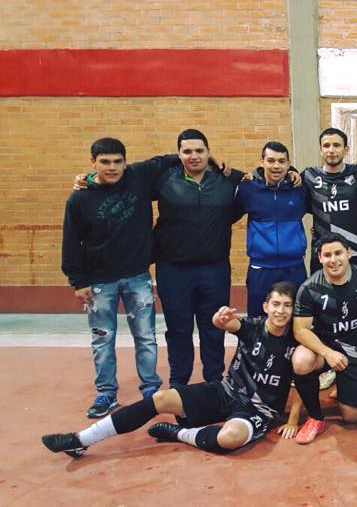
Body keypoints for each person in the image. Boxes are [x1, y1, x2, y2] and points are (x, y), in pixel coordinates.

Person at [42, 282, 300, 457]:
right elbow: (229, 324)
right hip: (225, 390)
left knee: (230, 438)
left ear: (293, 310)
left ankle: (180, 433)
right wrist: (219, 319)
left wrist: (292, 420)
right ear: (266, 306)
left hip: (258, 409)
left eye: (287, 305)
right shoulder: (254, 326)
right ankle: (80, 440)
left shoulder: (297, 342)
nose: (280, 311)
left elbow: (302, 382)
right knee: (160, 398)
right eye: (275, 304)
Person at [61, 138, 175, 417]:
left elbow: (176, 157)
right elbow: (71, 241)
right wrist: (78, 281)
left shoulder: (139, 175)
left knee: (146, 336)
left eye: (117, 161)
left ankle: (150, 388)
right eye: (104, 162)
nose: (112, 167)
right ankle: (106, 393)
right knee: (102, 339)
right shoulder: (79, 198)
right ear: (93, 163)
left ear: (125, 161)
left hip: (138, 277)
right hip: (99, 282)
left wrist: (215, 158)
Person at [153, 129, 245, 387]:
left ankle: (214, 381)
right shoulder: (164, 178)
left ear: (209, 152)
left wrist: (293, 173)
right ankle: (179, 383)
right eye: (187, 151)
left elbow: (261, 176)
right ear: (178, 154)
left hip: (214, 270)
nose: (194, 156)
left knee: (214, 327)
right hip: (173, 270)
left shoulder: (227, 179)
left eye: (200, 151)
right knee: (179, 330)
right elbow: (129, 175)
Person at [289, 235, 357, 444]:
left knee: (351, 417)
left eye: (338, 253)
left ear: (349, 254)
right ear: (319, 258)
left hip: (356, 349)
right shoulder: (309, 288)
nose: (333, 260)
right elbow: (300, 331)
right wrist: (327, 352)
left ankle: (346, 384)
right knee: (300, 360)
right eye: (327, 255)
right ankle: (316, 417)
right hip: (325, 349)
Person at [234, 141, 309, 317]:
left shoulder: (299, 189)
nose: (276, 166)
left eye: (282, 161)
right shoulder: (247, 189)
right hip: (261, 268)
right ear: (262, 162)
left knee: (296, 319)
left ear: (289, 164)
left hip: (294, 267)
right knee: (258, 319)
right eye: (271, 160)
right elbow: (229, 215)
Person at [302, 128, 357, 270]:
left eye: (336, 145)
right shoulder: (309, 176)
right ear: (320, 150)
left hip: (354, 252)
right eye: (326, 146)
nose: (331, 150)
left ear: (346, 149)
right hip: (323, 254)